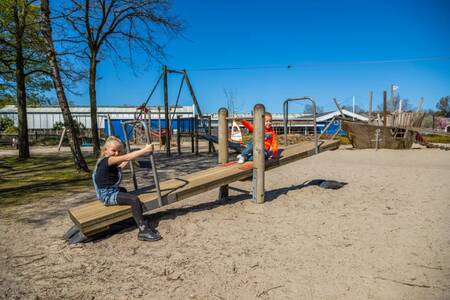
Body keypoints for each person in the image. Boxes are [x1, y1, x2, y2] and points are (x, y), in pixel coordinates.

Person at [93, 136, 161, 241]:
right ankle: (143, 230)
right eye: (113, 150)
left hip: (111, 190)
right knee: (134, 200)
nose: (116, 153)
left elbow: (129, 162)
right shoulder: (108, 160)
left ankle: (128, 219)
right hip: (107, 195)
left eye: (119, 151)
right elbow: (127, 158)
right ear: (105, 151)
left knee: (124, 191)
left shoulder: (109, 162)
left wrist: (151, 163)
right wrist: (145, 150)